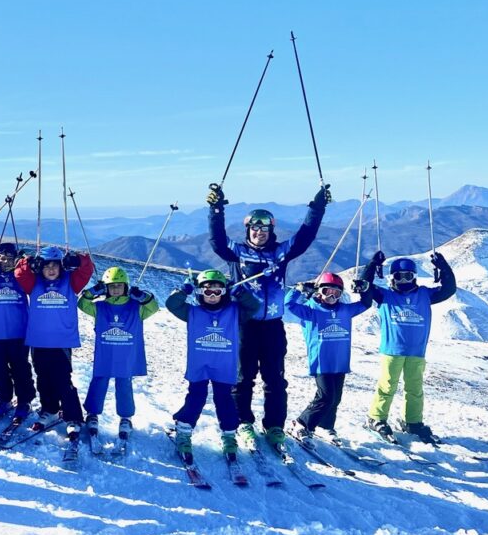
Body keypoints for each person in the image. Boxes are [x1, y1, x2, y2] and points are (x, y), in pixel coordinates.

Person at [207, 183, 330, 449]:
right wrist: (216, 209)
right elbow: (216, 240)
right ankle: (243, 422)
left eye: (264, 229)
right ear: (248, 230)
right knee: (243, 377)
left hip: (273, 325)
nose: (259, 233)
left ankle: (274, 426)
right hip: (244, 325)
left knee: (275, 378)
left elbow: (305, 237)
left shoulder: (280, 253)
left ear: (270, 230)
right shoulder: (236, 253)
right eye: (254, 228)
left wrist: (317, 208)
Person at [360, 251, 457, 442]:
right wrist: (372, 265)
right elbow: (365, 286)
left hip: (416, 352)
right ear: (392, 277)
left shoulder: (425, 294)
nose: (403, 280)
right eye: (398, 276)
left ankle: (413, 421)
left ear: (415, 277)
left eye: (408, 276)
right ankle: (376, 417)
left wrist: (443, 266)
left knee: (414, 388)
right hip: (392, 351)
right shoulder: (384, 295)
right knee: (387, 386)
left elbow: (449, 289)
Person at [165, 269, 260, 457]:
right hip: (200, 365)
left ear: (224, 293)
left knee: (224, 399)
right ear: (201, 293)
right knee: (196, 397)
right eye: (207, 291)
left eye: (218, 291)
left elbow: (253, 307)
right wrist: (184, 290)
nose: (213, 296)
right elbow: (172, 304)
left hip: (224, 366)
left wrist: (240, 292)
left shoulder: (234, 312)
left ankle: (229, 434)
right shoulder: (192, 312)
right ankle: (184, 430)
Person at [13, 245, 94, 441]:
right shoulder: (34, 283)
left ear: (62, 267)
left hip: (61, 341)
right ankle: (49, 409)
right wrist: (28, 262)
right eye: (46, 265)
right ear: (40, 267)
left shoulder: (71, 282)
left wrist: (77, 259)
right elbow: (19, 274)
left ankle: (73, 417)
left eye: (55, 266)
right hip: (39, 341)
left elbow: (87, 268)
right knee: (43, 378)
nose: (51, 270)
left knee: (62, 379)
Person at [284, 272, 372, 443]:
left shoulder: (345, 310)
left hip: (340, 363)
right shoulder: (311, 310)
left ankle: (326, 426)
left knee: (335, 398)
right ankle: (302, 423)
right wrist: (298, 290)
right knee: (325, 397)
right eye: (327, 292)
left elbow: (366, 304)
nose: (331, 296)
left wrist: (365, 289)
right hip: (321, 363)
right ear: (319, 292)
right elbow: (288, 304)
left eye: (336, 293)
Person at [77, 266, 160, 439]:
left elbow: (153, 308)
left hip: (126, 356)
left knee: (124, 385)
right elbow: (82, 304)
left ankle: (125, 417)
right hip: (105, 354)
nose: (115, 289)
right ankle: (92, 414)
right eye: (111, 286)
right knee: (99, 381)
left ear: (126, 287)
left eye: (119, 285)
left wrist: (144, 297)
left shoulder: (136, 307)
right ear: (106, 288)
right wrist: (92, 292)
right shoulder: (100, 307)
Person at [0, 242, 35, 420]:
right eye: (1, 258)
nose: (5, 262)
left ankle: (24, 400)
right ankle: (3, 398)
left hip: (18, 331)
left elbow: (29, 287)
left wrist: (22, 265)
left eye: (10, 259)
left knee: (20, 367)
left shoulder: (19, 276)